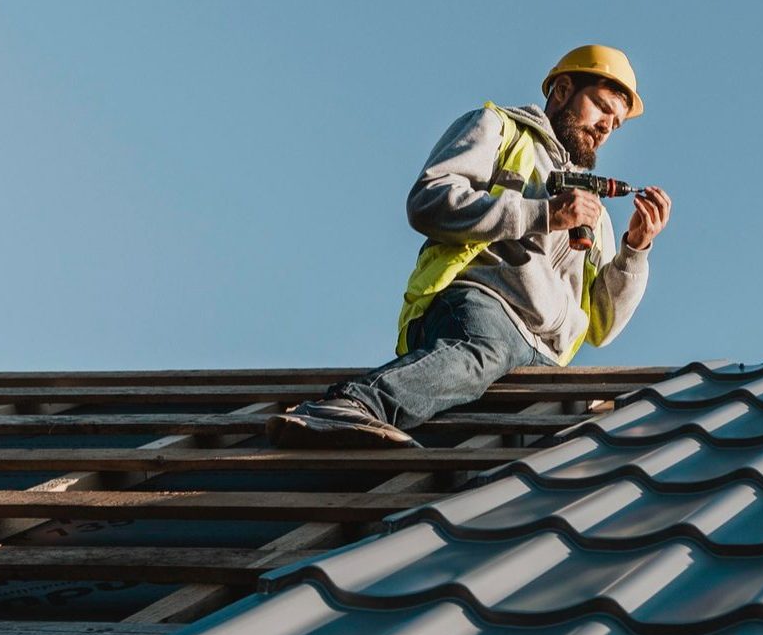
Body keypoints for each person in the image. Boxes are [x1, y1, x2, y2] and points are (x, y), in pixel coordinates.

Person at [266, 44, 671, 448]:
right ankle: (352, 405)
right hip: (483, 310)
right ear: (562, 90)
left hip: (543, 358)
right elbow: (428, 201)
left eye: (615, 123)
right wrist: (542, 214)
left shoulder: (594, 214)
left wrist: (635, 250)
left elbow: (601, 327)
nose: (606, 126)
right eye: (601, 107)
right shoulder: (500, 131)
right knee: (480, 351)